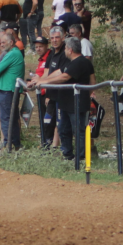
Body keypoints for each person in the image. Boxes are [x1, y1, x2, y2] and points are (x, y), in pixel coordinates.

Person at [39, 36, 95, 169]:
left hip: (77, 104)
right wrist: (41, 80)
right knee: (63, 129)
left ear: (70, 50)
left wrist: (45, 82)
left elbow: (65, 77)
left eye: (65, 48)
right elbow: (59, 72)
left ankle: (81, 158)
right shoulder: (70, 63)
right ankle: (67, 154)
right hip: (65, 103)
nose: (64, 51)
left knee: (78, 130)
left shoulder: (80, 62)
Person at [0, 27, 25, 151]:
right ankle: (16, 144)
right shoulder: (15, 53)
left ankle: (7, 145)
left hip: (7, 90)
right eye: (0, 42)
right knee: (12, 118)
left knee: (5, 118)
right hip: (10, 90)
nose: (1, 44)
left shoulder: (11, 54)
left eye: (4, 42)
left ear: (11, 42)